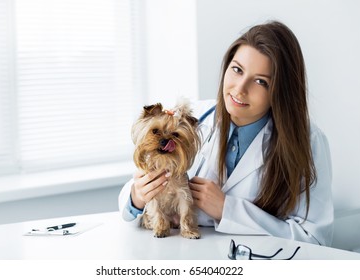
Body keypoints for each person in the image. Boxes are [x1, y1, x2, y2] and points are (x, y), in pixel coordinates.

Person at [118, 20, 333, 246]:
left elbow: (315, 239)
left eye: (260, 81)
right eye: (237, 70)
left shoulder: (309, 142)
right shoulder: (191, 119)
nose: (240, 89)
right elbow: (128, 206)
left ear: (280, 91)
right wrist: (138, 197)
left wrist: (227, 210)